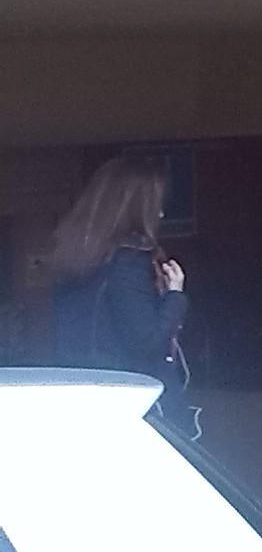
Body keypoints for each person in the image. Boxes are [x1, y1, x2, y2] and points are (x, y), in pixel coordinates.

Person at [49, 158, 192, 432]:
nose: (161, 214)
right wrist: (175, 296)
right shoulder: (128, 261)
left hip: (86, 396)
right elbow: (146, 343)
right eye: (157, 203)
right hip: (133, 400)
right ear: (138, 206)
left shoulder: (75, 257)